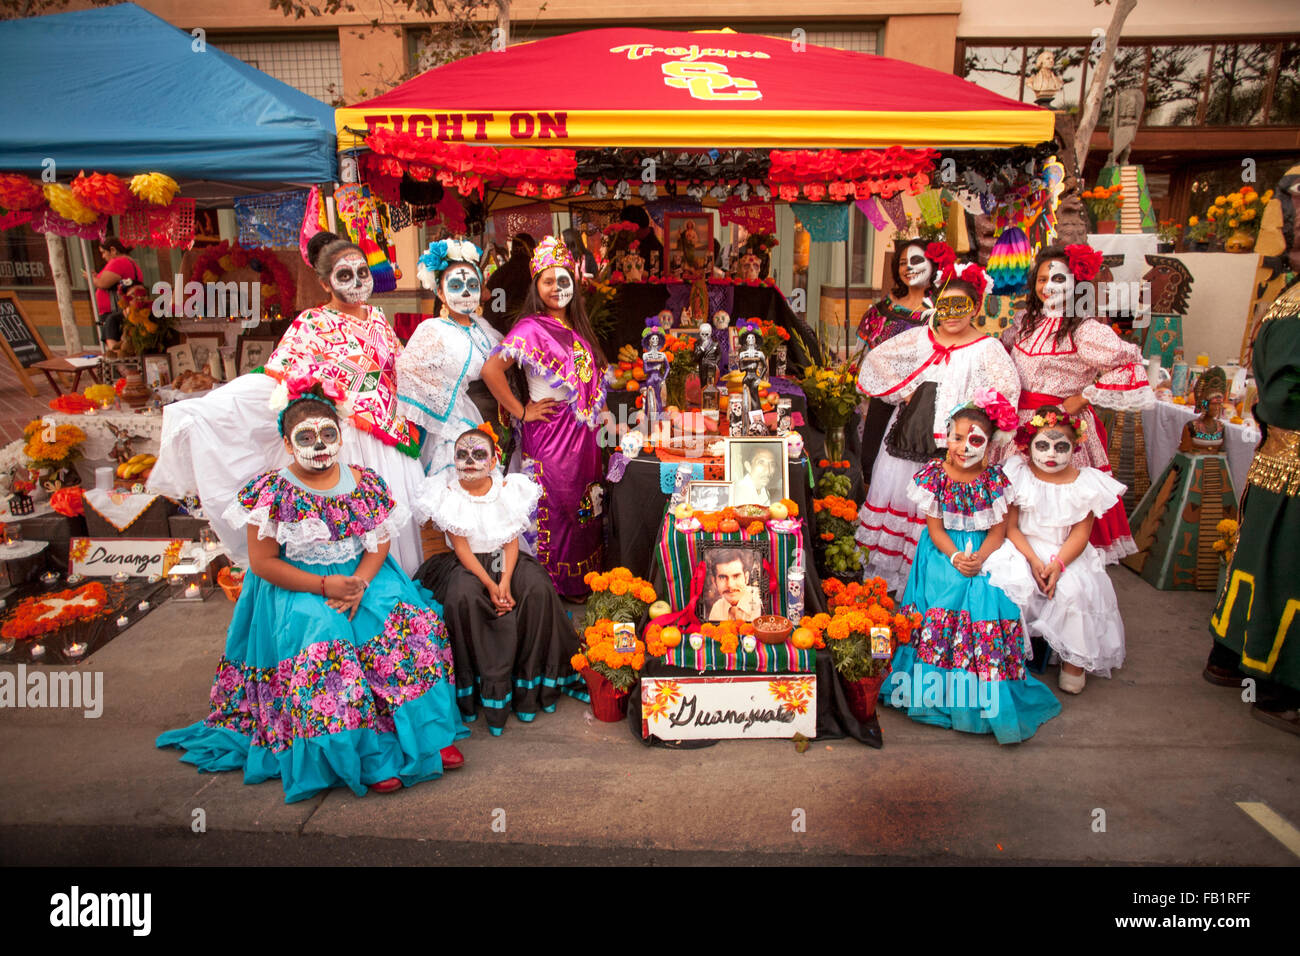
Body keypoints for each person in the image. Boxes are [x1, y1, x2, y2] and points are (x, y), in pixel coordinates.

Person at [156, 386, 468, 803]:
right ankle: (361, 754)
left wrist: (358, 585)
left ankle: (428, 734)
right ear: (286, 443)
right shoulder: (271, 493)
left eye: (328, 435)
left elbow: (378, 544)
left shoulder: (361, 480)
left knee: (408, 622)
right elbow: (264, 563)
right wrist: (326, 586)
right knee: (325, 636)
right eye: (305, 437)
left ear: (341, 435)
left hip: (362, 576)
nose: (319, 446)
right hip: (296, 584)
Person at [148, 230, 427, 574]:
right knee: (357, 540)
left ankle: (398, 609)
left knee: (396, 534)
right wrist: (206, 410)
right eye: (344, 275)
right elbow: (278, 379)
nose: (356, 282)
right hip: (350, 445)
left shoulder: (379, 319)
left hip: (392, 443)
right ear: (325, 283)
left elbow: (399, 373)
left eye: (362, 273)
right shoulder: (310, 324)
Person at [883, 395, 1062, 743]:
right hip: (941, 552)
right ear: (946, 437)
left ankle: (982, 690)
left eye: (975, 439)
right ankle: (934, 689)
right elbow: (935, 529)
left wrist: (979, 558)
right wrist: (955, 558)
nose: (964, 447)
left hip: (986, 550)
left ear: (990, 443)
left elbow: (999, 531)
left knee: (988, 594)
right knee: (948, 587)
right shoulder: (934, 475)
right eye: (957, 438)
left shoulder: (995, 481)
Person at [855, 261, 1021, 594]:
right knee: (902, 503)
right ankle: (886, 593)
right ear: (937, 305)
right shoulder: (921, 337)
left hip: (952, 451)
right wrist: (904, 390)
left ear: (974, 308)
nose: (953, 314)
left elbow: (1007, 394)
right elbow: (876, 360)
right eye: (946, 305)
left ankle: (924, 592)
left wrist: (978, 418)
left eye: (962, 306)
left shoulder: (987, 349)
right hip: (904, 443)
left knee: (934, 515)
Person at [414, 424, 587, 735]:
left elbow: (510, 541)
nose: (469, 460)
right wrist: (492, 586)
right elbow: (463, 550)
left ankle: (533, 688)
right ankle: (480, 692)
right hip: (467, 564)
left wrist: (505, 581)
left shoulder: (508, 489)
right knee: (463, 597)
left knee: (536, 589)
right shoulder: (448, 493)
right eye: (461, 454)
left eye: (478, 454)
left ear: (493, 461)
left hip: (506, 560)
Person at [999, 244, 1155, 563]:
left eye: (1058, 279)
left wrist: (1083, 398)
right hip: (1018, 428)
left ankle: (1061, 574)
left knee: (1060, 513)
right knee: (1016, 510)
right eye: (1042, 279)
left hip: (1061, 427)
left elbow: (1129, 365)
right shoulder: (1025, 323)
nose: (1048, 286)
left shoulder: (1084, 329)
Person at [479, 236, 607, 601]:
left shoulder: (577, 327)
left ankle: (583, 584)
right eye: (548, 281)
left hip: (583, 438)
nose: (556, 287)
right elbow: (491, 370)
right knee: (555, 510)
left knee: (585, 507)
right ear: (536, 285)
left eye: (562, 279)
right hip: (550, 436)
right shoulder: (531, 328)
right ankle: (548, 591)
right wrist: (521, 411)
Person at [1205, 280, 1300, 734]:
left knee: (1267, 560)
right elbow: (1284, 393)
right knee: (1282, 568)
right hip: (1290, 465)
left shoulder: (1290, 294)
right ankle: (1279, 688)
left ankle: (1233, 659)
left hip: (1281, 464)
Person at [983, 406, 1128, 694]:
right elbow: (1010, 527)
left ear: (1075, 447)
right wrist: (1035, 561)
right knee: (1009, 584)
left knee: (1075, 590)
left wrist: (1058, 565)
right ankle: (1010, 653)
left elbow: (1081, 533)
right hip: (1022, 548)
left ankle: (1073, 658)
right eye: (1043, 445)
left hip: (1064, 553)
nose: (1051, 454)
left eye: (1060, 446)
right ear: (1028, 446)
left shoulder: (1084, 481)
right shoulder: (1017, 473)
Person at [1123, 367, 1238, 589]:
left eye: (1219, 403)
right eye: (1213, 402)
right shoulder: (1192, 426)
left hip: (1215, 478)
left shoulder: (1222, 427)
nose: (1216, 407)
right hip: (1191, 475)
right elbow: (1186, 446)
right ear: (1204, 403)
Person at [398, 238, 502, 479]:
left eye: (472, 285)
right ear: (440, 293)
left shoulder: (484, 326)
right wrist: (452, 409)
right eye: (455, 286)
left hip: (493, 421)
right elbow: (409, 371)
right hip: (454, 427)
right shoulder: (432, 330)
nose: (466, 293)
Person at [855, 241, 948, 477]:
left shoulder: (942, 312)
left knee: (910, 465)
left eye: (916, 261)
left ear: (933, 265)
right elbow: (863, 357)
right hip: (882, 399)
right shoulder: (881, 309)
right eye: (903, 263)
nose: (908, 268)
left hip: (922, 401)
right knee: (870, 459)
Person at [93, 237, 143, 352]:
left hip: (117, 310)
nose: (103, 257)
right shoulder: (129, 261)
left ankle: (117, 355)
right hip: (119, 309)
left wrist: (92, 279)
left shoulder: (119, 262)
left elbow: (103, 283)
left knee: (112, 326)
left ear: (113, 250)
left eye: (104, 252)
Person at [483, 232, 536, 336]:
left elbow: (492, 313)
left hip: (499, 334)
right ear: (531, 249)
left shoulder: (499, 275)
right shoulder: (535, 275)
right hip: (531, 334)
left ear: (512, 250)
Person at [706, 549, 762, 621]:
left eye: (736, 576)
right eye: (722, 577)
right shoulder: (717, 608)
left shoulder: (760, 601)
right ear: (714, 582)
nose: (730, 585)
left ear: (746, 578)